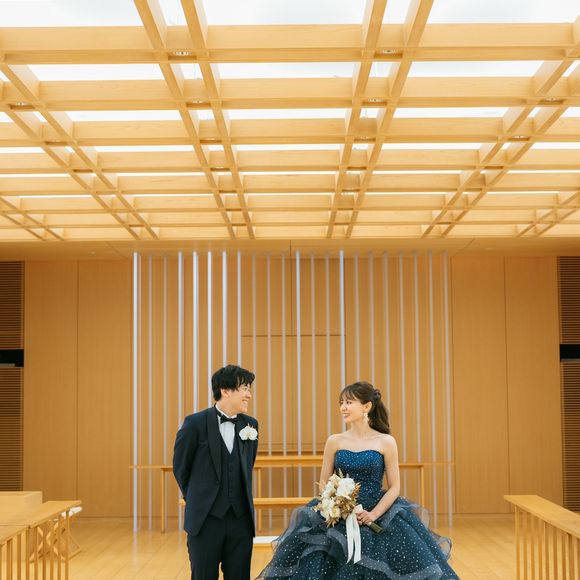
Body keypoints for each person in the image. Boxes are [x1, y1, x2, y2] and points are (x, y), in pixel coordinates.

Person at [257, 381, 458, 579]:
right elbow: (324, 483)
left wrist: (373, 514)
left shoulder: (386, 441)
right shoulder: (334, 441)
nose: (343, 408)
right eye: (341, 403)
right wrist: (336, 506)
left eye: (348, 402)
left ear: (366, 407)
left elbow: (394, 487)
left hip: (376, 512)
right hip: (338, 515)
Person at [173, 364, 259, 580]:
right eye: (245, 388)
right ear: (225, 390)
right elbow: (181, 468)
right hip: (205, 521)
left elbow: (247, 465)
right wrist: (198, 498)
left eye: (249, 389)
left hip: (241, 521)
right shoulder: (194, 423)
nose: (249, 395)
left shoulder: (251, 425)